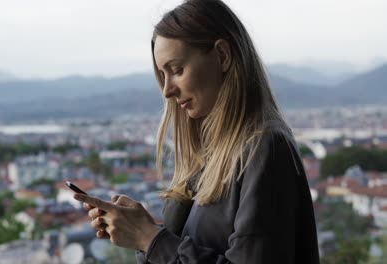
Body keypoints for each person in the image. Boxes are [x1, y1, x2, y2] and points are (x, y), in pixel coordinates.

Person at [73, 0, 320, 263]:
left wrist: (149, 238)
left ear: (222, 56)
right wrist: (140, 231)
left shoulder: (264, 150)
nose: (167, 90)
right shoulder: (212, 155)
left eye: (177, 70)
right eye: (162, 75)